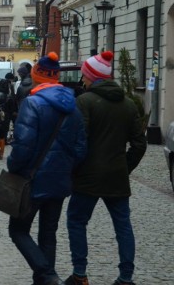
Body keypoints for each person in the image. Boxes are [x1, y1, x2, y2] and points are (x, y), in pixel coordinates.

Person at [65, 51, 147, 285]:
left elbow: (80, 140)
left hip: (88, 177)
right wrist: (125, 166)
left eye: (85, 76)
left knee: (77, 221)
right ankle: (126, 277)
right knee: (123, 225)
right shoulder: (129, 104)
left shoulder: (85, 101)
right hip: (117, 175)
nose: (83, 80)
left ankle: (80, 274)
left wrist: (75, 169)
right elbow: (140, 144)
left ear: (92, 76)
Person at [7, 51, 87, 285]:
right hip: (60, 179)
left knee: (18, 230)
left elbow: (22, 144)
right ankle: (44, 281)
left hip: (31, 179)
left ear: (37, 76)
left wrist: (14, 167)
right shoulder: (72, 105)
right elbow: (81, 148)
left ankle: (47, 275)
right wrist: (66, 168)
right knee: (48, 233)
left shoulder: (32, 102)